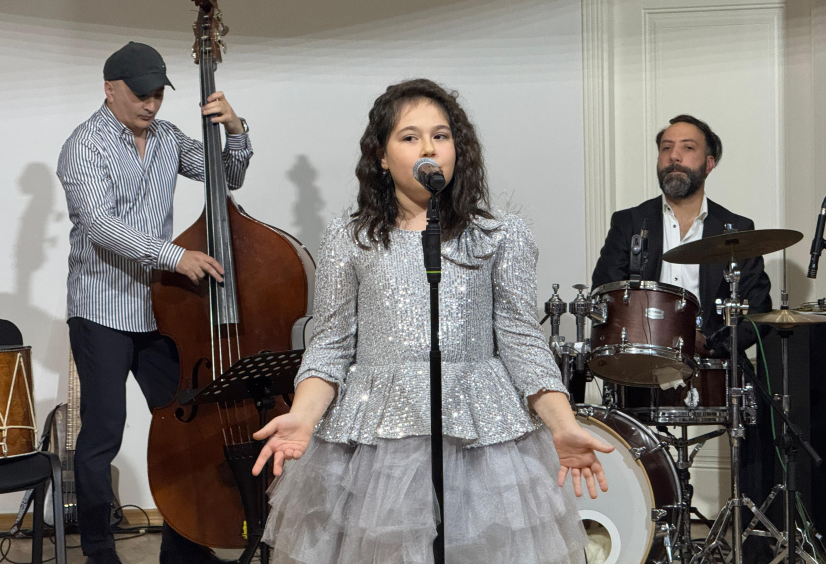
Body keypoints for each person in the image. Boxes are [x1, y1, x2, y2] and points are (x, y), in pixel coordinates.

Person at [251, 79, 614, 564]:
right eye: (410, 137)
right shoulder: (351, 238)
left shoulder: (499, 235)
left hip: (479, 435)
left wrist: (562, 425)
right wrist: (303, 415)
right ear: (381, 156)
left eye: (441, 136)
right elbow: (330, 344)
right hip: (378, 437)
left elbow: (523, 342)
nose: (429, 148)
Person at [57, 42, 251, 564]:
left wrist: (236, 130)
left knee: (187, 424)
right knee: (102, 435)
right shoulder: (84, 146)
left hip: (158, 309)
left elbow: (226, 177)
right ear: (110, 89)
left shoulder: (167, 138)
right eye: (141, 94)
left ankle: (183, 547)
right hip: (100, 309)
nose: (151, 104)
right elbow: (101, 226)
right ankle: (99, 553)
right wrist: (175, 255)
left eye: (158, 95)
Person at [591, 114, 775, 563]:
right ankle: (637, 535)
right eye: (666, 148)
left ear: (709, 162)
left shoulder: (736, 228)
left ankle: (754, 543)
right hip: (642, 362)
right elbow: (604, 289)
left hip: (710, 360)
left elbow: (758, 307)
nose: (674, 156)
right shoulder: (629, 223)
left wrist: (709, 341)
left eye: (687, 148)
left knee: (761, 413)